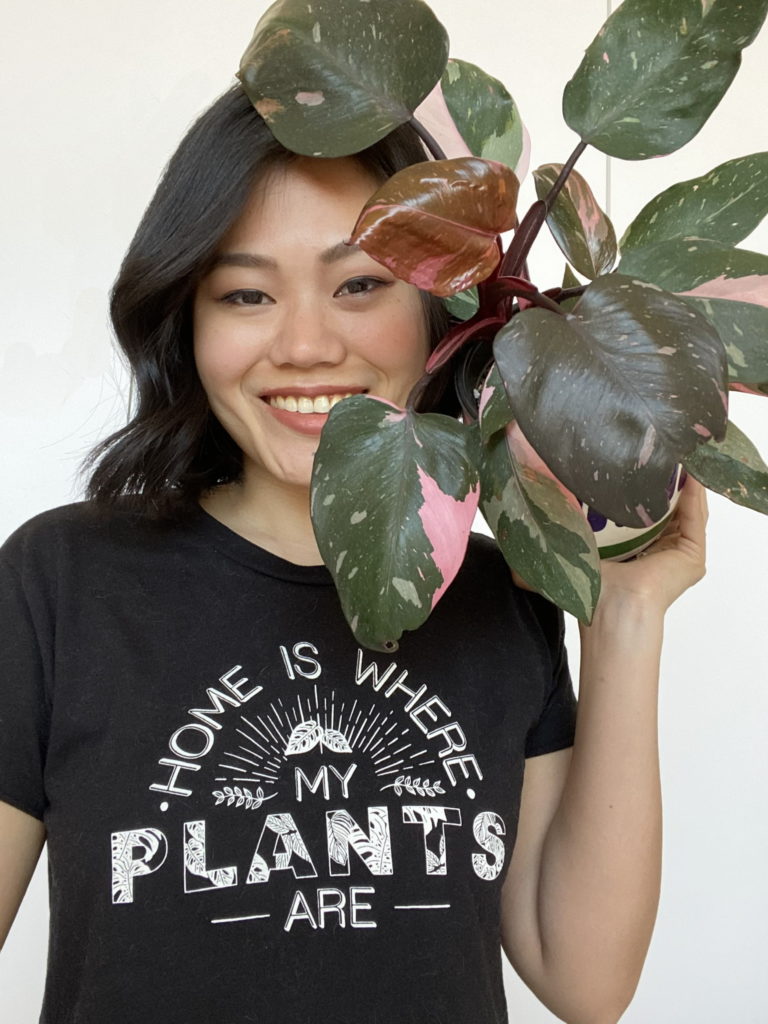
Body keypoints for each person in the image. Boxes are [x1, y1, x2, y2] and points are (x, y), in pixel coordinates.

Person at [0, 83, 708, 1024]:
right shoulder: (64, 582)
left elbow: (586, 982)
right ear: (189, 320)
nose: (303, 344)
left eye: (360, 284)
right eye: (246, 293)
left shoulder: (498, 592)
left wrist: (623, 612)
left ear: (438, 313)